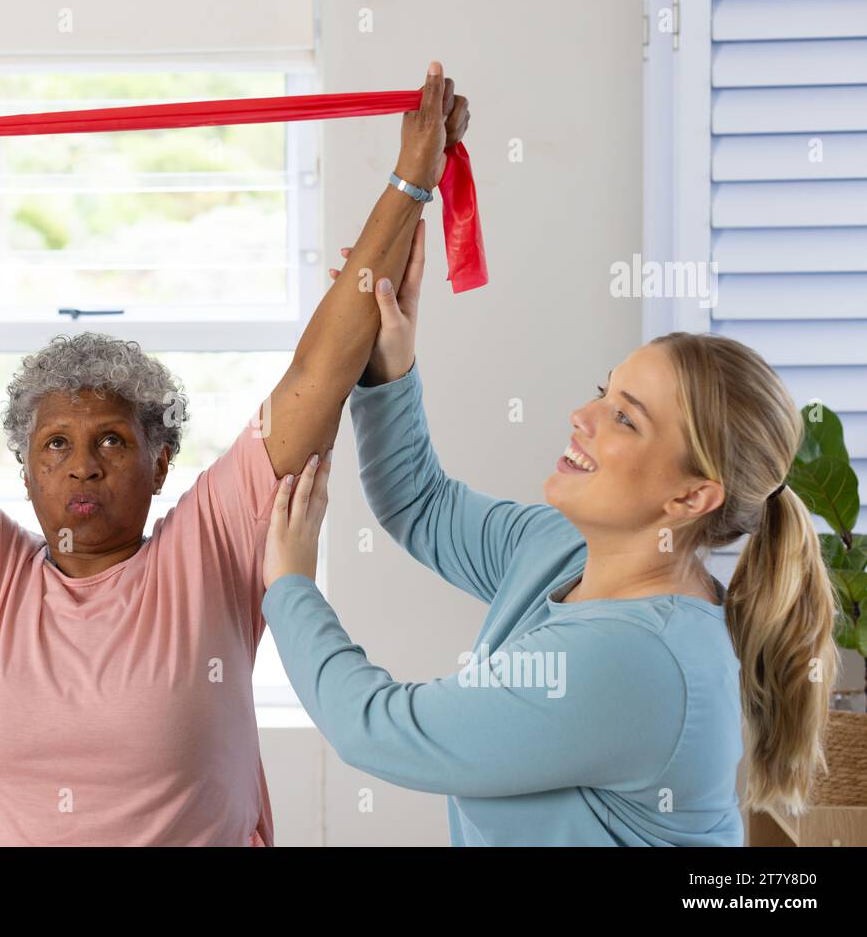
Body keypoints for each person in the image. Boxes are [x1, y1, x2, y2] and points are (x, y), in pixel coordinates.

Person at [0, 62, 468, 844]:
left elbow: (315, 375)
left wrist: (410, 180)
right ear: (25, 469)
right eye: (55, 444)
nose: (82, 465)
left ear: (162, 462)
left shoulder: (211, 550)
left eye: (112, 441)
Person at [261, 232, 842, 845]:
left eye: (625, 418)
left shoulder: (638, 661)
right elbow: (421, 504)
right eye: (604, 392)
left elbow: (377, 729)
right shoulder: (563, 548)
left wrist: (291, 586)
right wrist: (389, 365)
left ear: (691, 497)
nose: (581, 417)